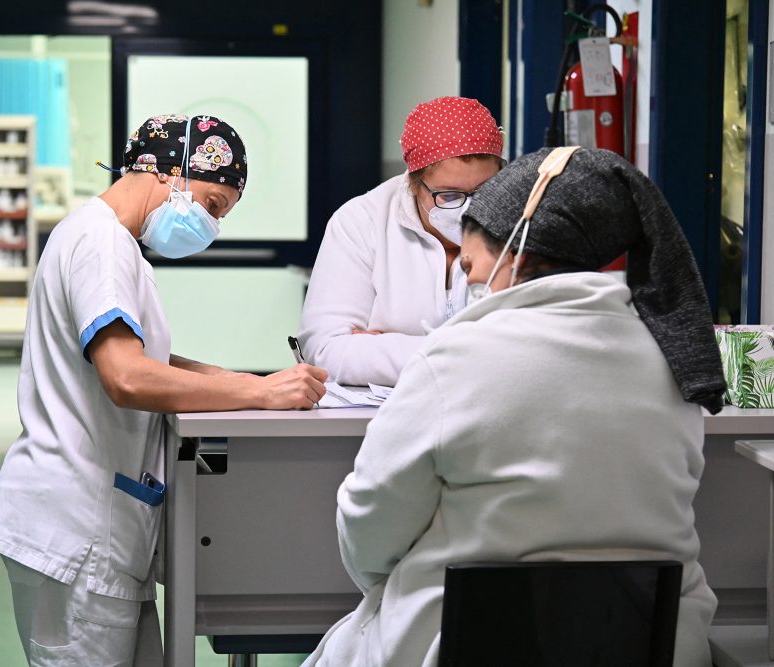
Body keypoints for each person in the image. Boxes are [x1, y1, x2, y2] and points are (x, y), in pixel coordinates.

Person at [302, 146, 725, 667]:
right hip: (650, 643)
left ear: (517, 252)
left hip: (462, 643)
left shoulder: (455, 357)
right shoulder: (674, 358)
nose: (469, 275)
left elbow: (370, 526)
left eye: (473, 269)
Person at [0, 114, 327, 666]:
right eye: (213, 205)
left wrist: (248, 381)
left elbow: (146, 357)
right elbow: (126, 376)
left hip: (96, 527)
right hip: (77, 531)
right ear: (172, 171)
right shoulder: (102, 246)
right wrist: (259, 397)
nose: (212, 226)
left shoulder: (104, 239)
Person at [296, 96, 503, 386]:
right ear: (414, 184)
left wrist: (384, 350)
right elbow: (326, 351)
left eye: (485, 190)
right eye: (449, 196)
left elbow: (535, 347)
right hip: (376, 421)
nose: (468, 208)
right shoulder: (363, 222)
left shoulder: (521, 222)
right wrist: (471, 355)